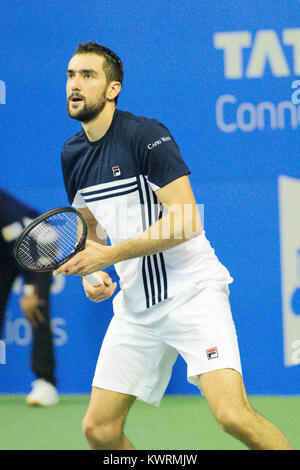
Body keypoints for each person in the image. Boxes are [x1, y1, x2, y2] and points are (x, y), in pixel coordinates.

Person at [54, 41, 293, 450]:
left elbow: (185, 221)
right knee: (100, 430)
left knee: (232, 416)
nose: (75, 85)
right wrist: (92, 271)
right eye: (71, 75)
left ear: (113, 89)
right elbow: (89, 226)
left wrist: (109, 256)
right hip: (136, 308)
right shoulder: (73, 154)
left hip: (193, 294)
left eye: (88, 76)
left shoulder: (145, 136)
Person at [0, 189, 59, 406]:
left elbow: (26, 248)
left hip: (38, 244)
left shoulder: (4, 209)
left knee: (36, 309)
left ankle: (46, 383)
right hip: (6, 251)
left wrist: (30, 290)